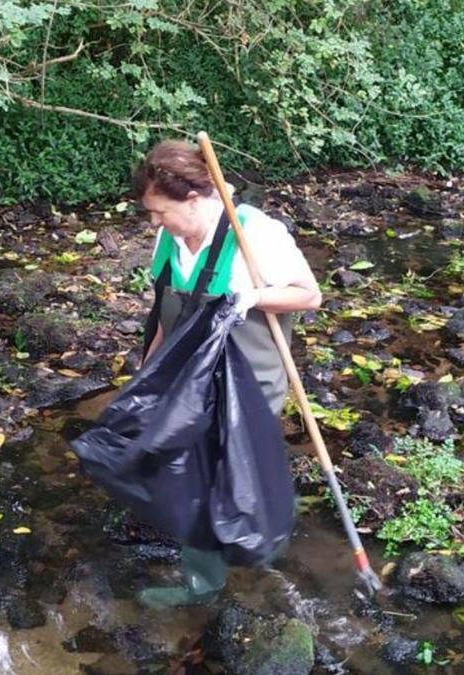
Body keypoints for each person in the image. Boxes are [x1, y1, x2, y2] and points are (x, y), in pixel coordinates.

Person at [131, 139, 322, 608]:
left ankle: (204, 584)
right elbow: (167, 312)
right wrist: (147, 376)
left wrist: (252, 298)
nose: (153, 222)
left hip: (247, 382)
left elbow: (308, 295)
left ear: (193, 200)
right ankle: (260, 520)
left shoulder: (256, 235)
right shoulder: (170, 238)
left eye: (160, 211)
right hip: (188, 379)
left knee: (205, 478)